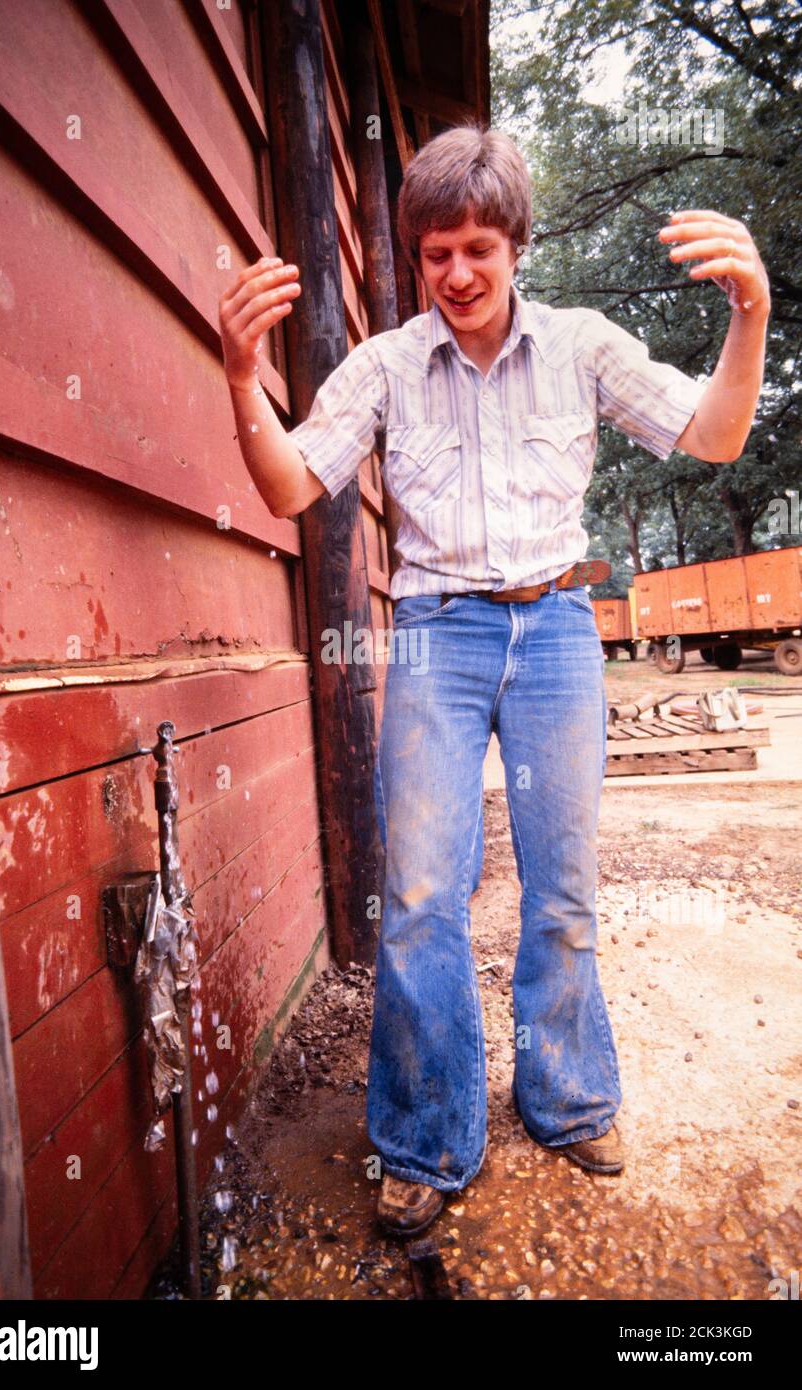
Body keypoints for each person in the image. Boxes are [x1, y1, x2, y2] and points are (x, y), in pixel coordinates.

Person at [218, 123, 770, 1238]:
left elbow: (714, 433)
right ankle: (425, 1135)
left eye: (478, 246)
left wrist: (750, 314)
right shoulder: (382, 367)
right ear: (413, 259)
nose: (458, 273)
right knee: (421, 895)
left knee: (562, 885)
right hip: (436, 633)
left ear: (517, 243)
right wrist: (240, 380)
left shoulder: (582, 346)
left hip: (559, 626)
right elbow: (287, 487)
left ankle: (567, 1098)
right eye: (435, 253)